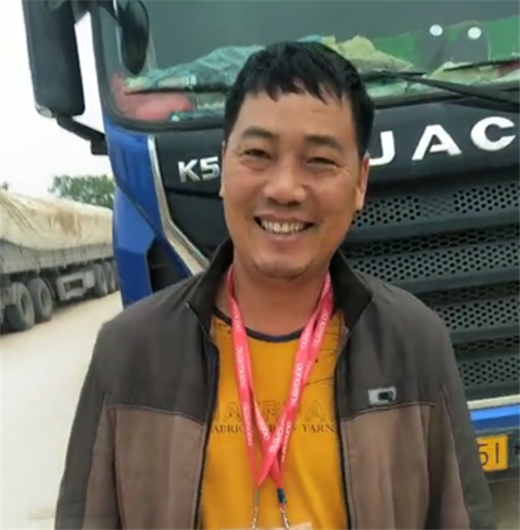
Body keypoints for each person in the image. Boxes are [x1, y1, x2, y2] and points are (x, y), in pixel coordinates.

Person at [55, 41, 496, 530]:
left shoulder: (413, 342)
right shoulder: (130, 350)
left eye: (320, 161)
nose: (284, 188)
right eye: (258, 154)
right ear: (224, 166)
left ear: (360, 183)